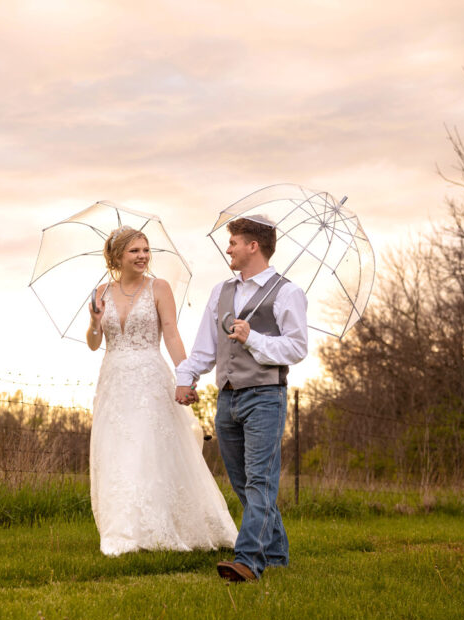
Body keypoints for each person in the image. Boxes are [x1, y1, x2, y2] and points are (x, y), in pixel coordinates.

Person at [86, 226, 238, 556]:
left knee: (147, 448)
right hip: (113, 381)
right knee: (117, 452)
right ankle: (124, 530)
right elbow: (94, 343)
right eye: (134, 251)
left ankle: (161, 527)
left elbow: (171, 334)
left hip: (150, 378)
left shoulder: (159, 288)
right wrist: (95, 321)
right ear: (117, 257)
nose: (142, 256)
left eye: (145, 250)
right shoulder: (101, 293)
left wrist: (186, 376)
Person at [175, 215, 308, 582]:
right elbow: (206, 346)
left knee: (259, 482)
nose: (228, 248)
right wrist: (186, 377)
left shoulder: (287, 292)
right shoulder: (222, 292)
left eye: (234, 241)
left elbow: (296, 348)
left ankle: (248, 561)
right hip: (228, 398)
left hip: (266, 396)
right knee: (242, 483)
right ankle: (277, 553)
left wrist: (253, 338)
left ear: (254, 246)